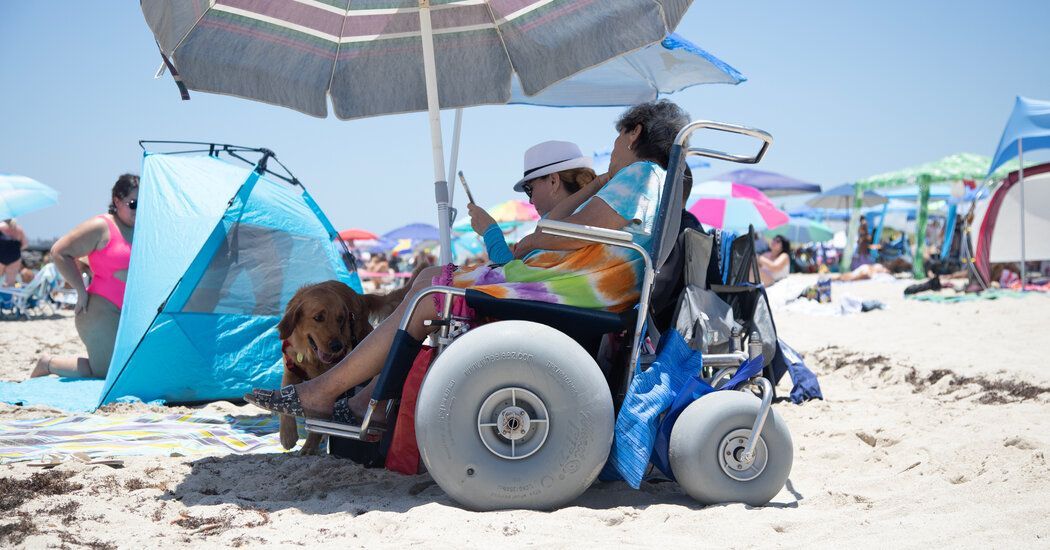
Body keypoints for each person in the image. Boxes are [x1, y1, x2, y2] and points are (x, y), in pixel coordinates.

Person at [246, 99, 690, 421]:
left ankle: (336, 395)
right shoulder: (646, 180)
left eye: (618, 138)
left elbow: (565, 235)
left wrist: (528, 236)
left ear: (634, 132)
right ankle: (358, 401)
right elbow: (565, 226)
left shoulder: (641, 173)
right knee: (429, 282)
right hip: (584, 287)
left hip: (574, 290)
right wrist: (596, 186)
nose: (612, 149)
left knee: (430, 290)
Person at [31, 174, 138, 379]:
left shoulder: (143, 229)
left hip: (129, 315)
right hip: (99, 310)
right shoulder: (101, 226)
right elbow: (59, 252)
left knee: (129, 369)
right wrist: (80, 291)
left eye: (144, 204)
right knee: (106, 372)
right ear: (117, 201)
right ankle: (48, 363)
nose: (138, 210)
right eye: (133, 204)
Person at [466, 140, 597, 265]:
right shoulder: (595, 216)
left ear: (553, 181)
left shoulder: (559, 229)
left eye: (529, 189)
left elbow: (517, 278)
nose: (530, 200)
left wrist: (491, 232)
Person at [0, 218, 28, 286]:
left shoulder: (0, 227)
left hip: (1, 254)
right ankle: (6, 296)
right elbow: (25, 245)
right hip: (14, 256)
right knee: (9, 282)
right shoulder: (19, 229)